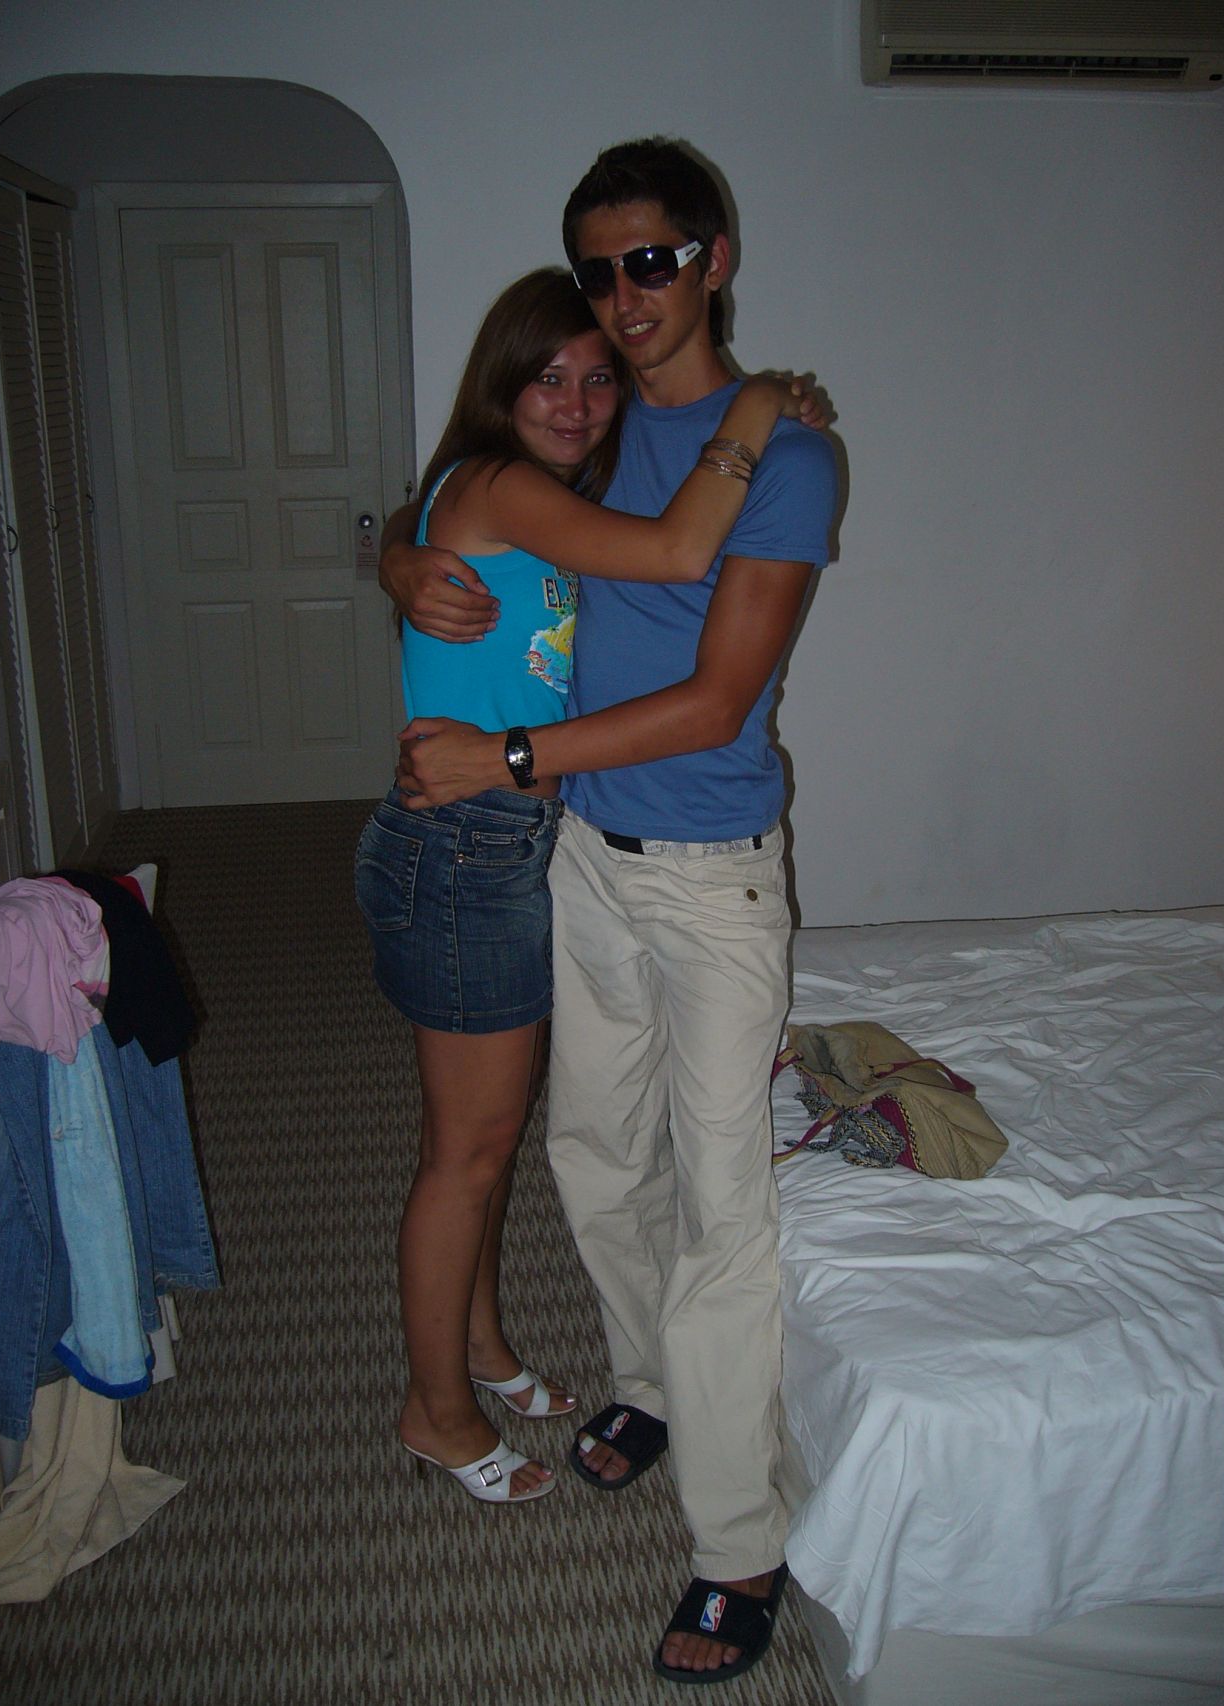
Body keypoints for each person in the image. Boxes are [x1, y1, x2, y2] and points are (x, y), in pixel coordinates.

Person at [383, 138, 838, 1681]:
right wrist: (397, 558)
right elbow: (464, 502)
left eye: (652, 260)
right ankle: (644, 1380)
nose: (625, 296)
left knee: (721, 1205)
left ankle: (738, 1542)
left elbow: (716, 699)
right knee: (591, 1152)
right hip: (579, 857)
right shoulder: (583, 425)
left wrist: (505, 754)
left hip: (712, 882)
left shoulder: (787, 457)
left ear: (715, 258)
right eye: (600, 269)